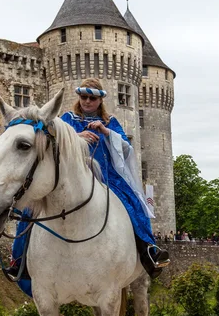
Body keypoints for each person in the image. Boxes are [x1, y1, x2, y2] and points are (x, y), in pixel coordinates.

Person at [59, 78, 170, 278]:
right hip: (73, 173)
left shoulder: (110, 121)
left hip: (107, 176)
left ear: (100, 100)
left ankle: (149, 251)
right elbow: (55, 142)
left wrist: (106, 132)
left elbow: (127, 148)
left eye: (91, 98)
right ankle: (20, 259)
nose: (86, 102)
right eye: (83, 97)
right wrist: (78, 137)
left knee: (134, 204)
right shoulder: (68, 119)